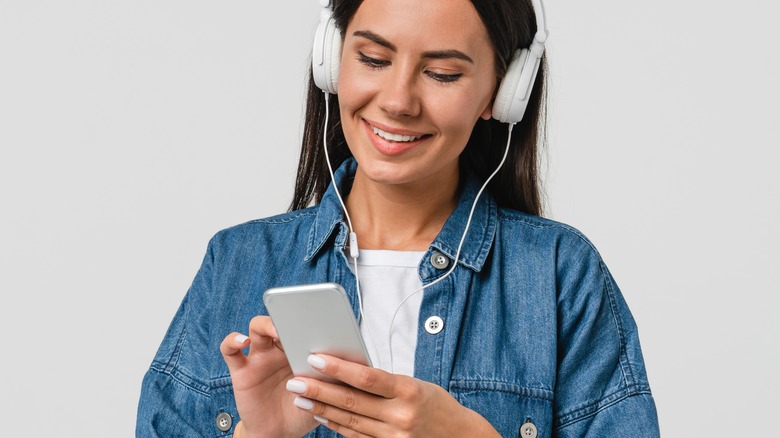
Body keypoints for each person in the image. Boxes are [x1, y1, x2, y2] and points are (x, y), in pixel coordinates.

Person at [137, 0, 660, 436]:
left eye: (442, 73)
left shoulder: (558, 273)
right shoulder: (238, 262)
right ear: (331, 59)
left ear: (503, 94)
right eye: (372, 58)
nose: (398, 101)